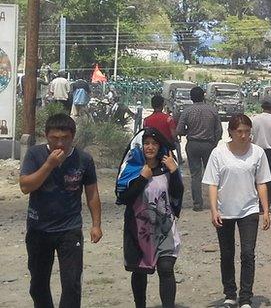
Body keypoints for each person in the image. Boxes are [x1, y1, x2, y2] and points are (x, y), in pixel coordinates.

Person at [19, 113, 103, 308]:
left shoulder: (83, 159)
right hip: (39, 228)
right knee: (38, 284)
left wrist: (96, 225)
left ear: (72, 137)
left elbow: (92, 193)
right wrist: (48, 165)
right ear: (46, 136)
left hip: (69, 229)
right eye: (54, 138)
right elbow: (25, 187)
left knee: (72, 283)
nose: (60, 143)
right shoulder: (35, 154)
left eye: (64, 138)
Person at [202, 114, 271, 308]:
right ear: (231, 132)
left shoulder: (257, 153)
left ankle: (246, 297)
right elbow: (213, 184)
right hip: (225, 210)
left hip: (249, 209)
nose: (243, 135)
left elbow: (262, 183)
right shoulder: (219, 153)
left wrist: (265, 210)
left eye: (247, 131)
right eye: (239, 131)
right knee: (227, 253)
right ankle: (230, 293)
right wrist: (213, 209)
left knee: (248, 253)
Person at [116, 128, 183, 308]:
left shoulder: (167, 167)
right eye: (146, 143)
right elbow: (123, 197)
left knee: (166, 268)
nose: (150, 147)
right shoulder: (132, 168)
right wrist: (141, 179)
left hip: (164, 227)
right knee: (139, 271)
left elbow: (177, 193)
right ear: (140, 146)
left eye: (154, 144)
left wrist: (175, 171)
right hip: (138, 229)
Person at [175, 86, 222, 211]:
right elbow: (219, 130)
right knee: (213, 174)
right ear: (204, 96)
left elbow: (179, 130)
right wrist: (214, 143)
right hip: (209, 145)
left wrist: (188, 132)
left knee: (196, 175)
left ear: (191, 98)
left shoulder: (187, 111)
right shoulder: (212, 110)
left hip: (193, 144)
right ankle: (218, 202)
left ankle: (197, 204)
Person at [144, 94, 181, 165]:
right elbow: (173, 135)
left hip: (152, 151)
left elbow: (145, 135)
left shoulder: (146, 120)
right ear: (163, 105)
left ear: (152, 105)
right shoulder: (168, 119)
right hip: (166, 150)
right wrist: (176, 140)